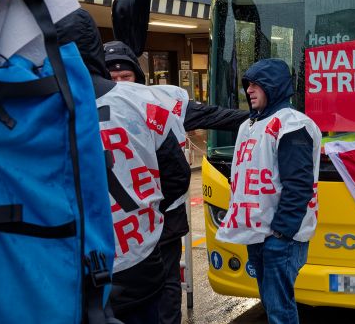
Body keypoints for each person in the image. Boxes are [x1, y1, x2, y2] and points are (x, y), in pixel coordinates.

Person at [56, 8, 188, 323]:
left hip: (72, 264)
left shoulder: (43, 109)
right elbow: (177, 176)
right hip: (139, 255)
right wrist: (146, 215)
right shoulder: (148, 102)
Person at [103, 40, 249, 324]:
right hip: (116, 227)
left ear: (138, 77)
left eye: (126, 77)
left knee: (165, 287)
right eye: (113, 78)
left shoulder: (158, 102)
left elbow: (212, 117)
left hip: (162, 219)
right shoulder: (85, 108)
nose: (120, 84)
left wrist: (261, 116)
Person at [215, 58, 321, 324]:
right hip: (259, 235)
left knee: (280, 311)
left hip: (280, 238)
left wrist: (281, 234)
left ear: (273, 86)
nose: (249, 90)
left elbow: (298, 186)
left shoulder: (292, 125)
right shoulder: (249, 125)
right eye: (247, 84)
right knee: (273, 306)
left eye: (256, 84)